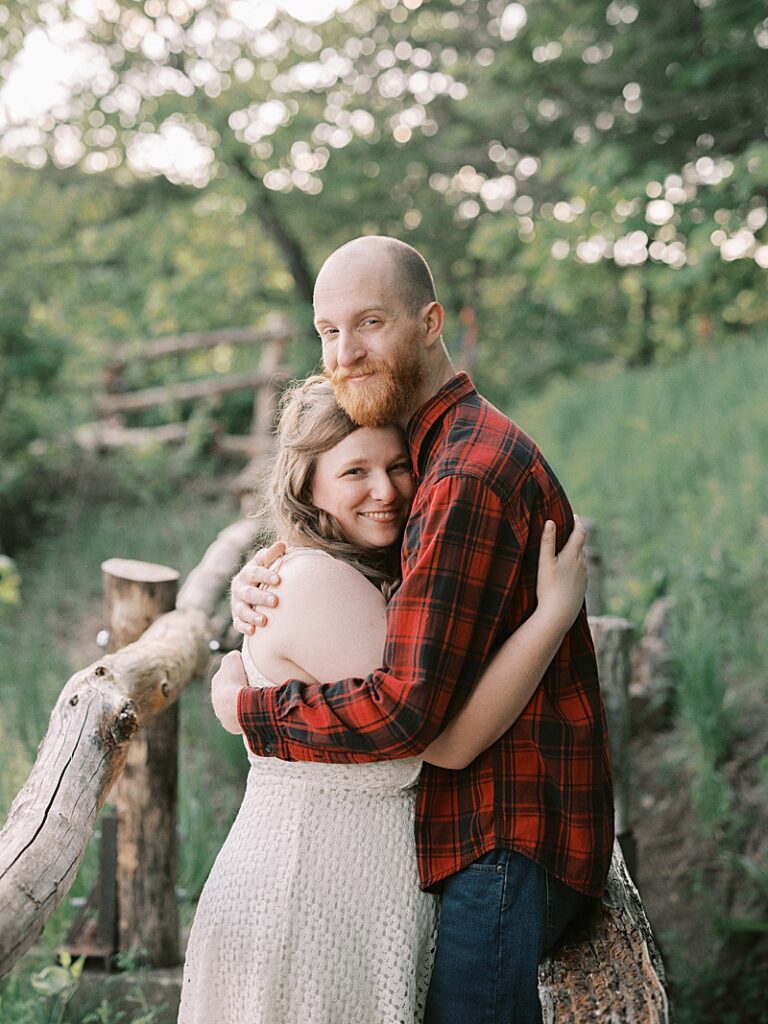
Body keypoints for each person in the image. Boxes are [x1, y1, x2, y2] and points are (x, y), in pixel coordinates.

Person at [217, 236, 614, 1024]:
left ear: (430, 322)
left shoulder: (460, 472)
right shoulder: (434, 449)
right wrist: (271, 568)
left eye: (369, 323)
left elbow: (409, 716)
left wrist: (245, 708)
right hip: (489, 830)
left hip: (502, 836)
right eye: (328, 331)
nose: (346, 351)